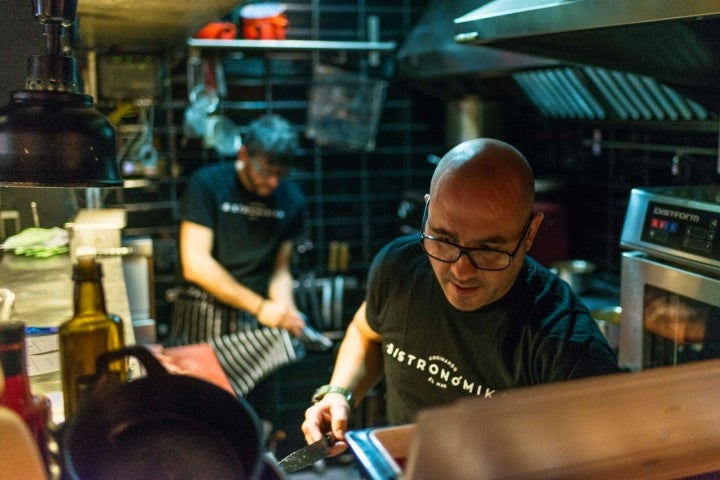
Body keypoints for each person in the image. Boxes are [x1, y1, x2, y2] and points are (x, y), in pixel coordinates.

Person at [302, 138, 621, 455]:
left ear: (530, 233)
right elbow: (367, 331)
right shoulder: (398, 267)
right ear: (428, 209)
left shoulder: (568, 351)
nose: (460, 269)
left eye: (487, 249)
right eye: (443, 239)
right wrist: (339, 393)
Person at [169, 113, 311, 396]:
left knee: (247, 411)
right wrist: (261, 307)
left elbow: (279, 269)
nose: (272, 183)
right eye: (265, 172)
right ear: (244, 154)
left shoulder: (292, 199)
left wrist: (286, 311)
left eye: (280, 175)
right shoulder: (208, 184)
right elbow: (195, 263)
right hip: (202, 311)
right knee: (199, 402)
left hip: (252, 323)